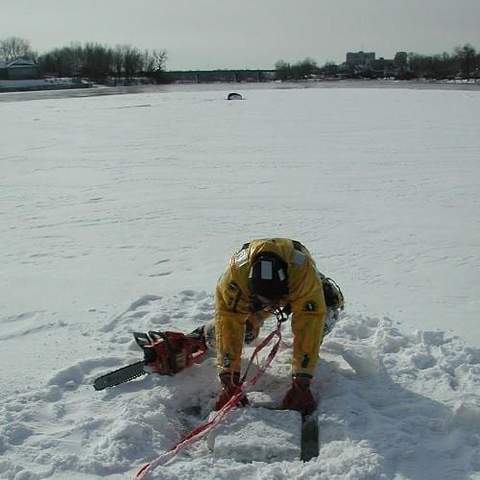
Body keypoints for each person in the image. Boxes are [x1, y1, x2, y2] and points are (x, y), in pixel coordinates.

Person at [194, 238, 344, 415]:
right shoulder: (234, 279)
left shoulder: (303, 275)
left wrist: (302, 380)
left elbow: (309, 324)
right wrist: (229, 379)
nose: (274, 307)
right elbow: (228, 321)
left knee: (323, 315)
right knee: (237, 331)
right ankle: (201, 337)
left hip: (296, 286)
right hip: (254, 298)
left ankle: (308, 357)